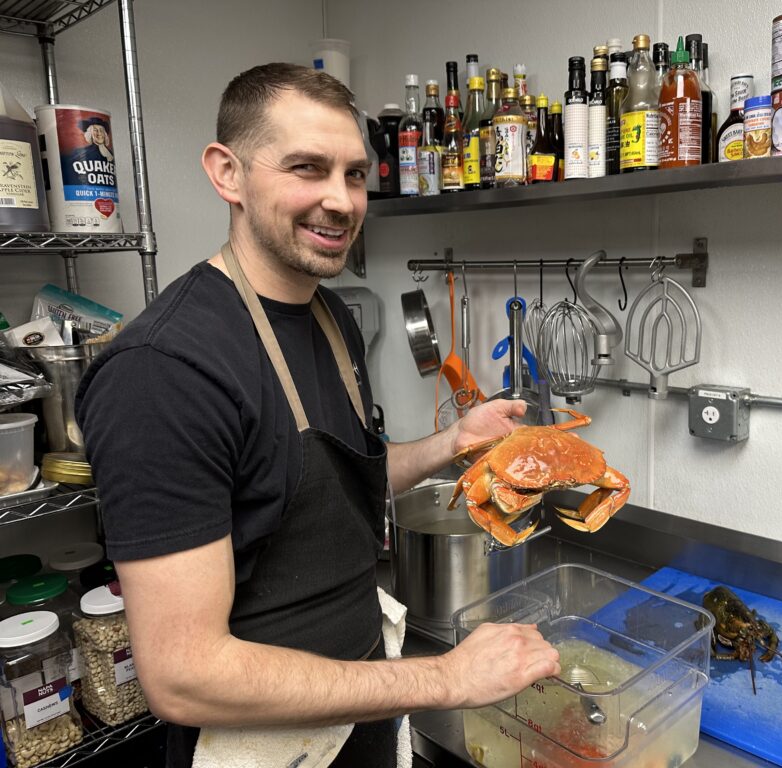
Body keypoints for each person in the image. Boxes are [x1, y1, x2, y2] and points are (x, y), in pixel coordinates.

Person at [76, 63, 559, 767]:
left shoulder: (331, 317)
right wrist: (445, 678)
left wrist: (452, 441)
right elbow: (183, 677)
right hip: (258, 746)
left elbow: (324, 488)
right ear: (227, 173)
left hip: (357, 707)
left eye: (355, 175)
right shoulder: (163, 372)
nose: (340, 200)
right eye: (307, 168)